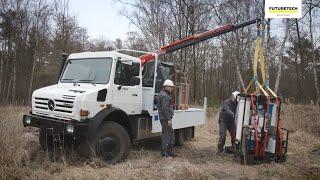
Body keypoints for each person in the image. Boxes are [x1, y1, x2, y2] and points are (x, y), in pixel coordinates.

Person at [158, 79, 176, 157]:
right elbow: (164, 108)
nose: (172, 89)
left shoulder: (161, 93)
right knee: (168, 134)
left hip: (163, 117)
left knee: (166, 134)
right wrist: (168, 119)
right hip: (165, 118)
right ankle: (166, 152)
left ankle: (167, 151)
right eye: (171, 87)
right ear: (166, 87)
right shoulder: (165, 96)